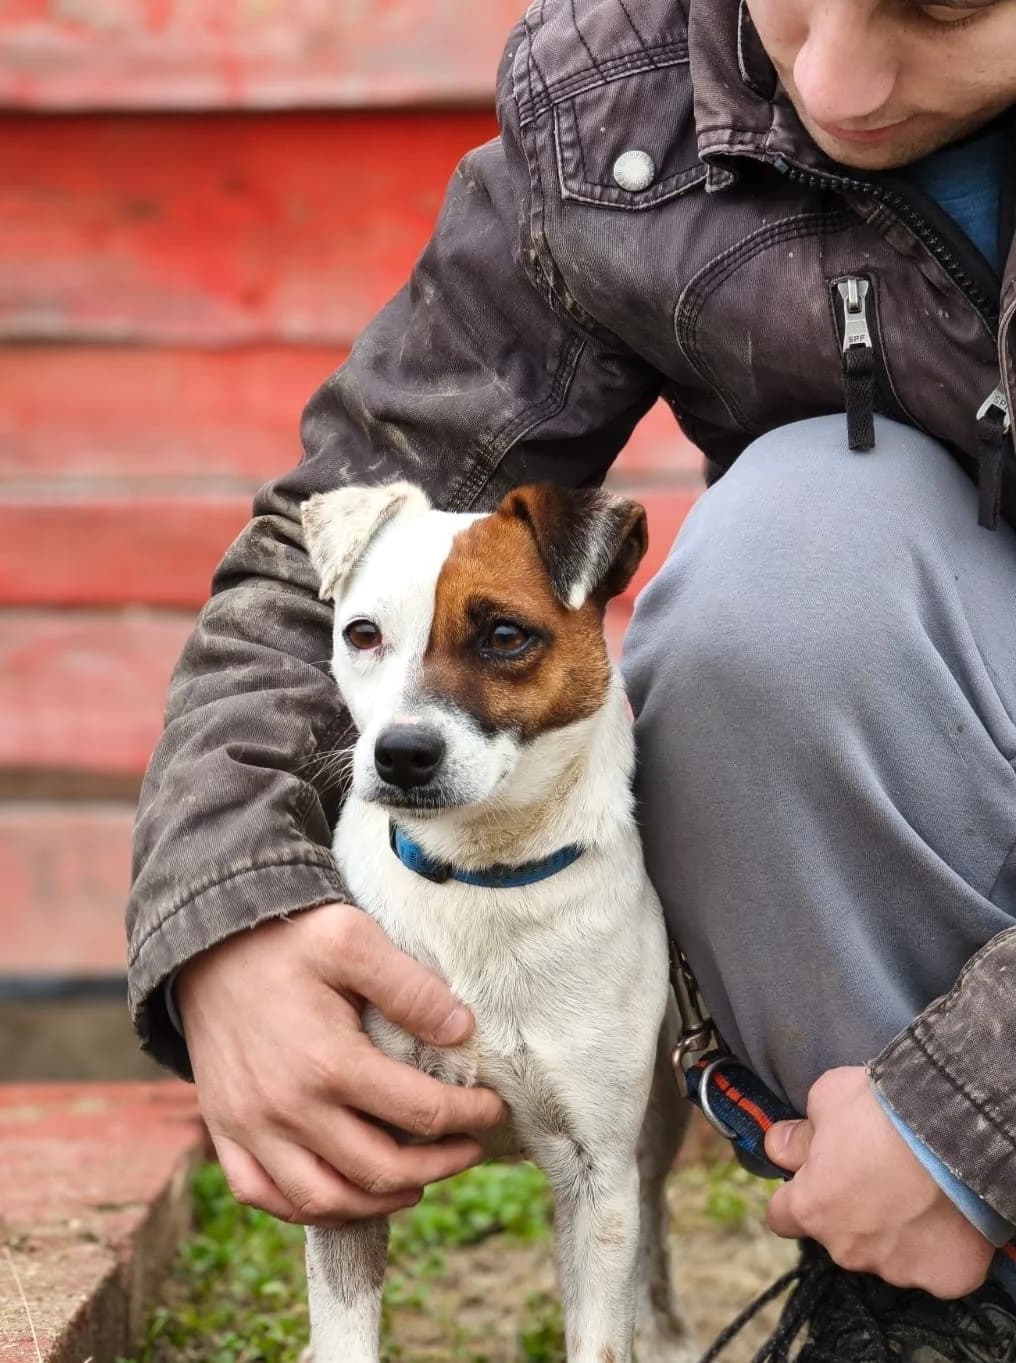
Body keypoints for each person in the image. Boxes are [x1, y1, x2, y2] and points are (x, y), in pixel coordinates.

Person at [125, 0, 1016, 1355]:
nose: (833, 80)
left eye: (946, 8)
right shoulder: (627, 102)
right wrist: (227, 917)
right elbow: (340, 533)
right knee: (798, 560)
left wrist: (976, 1117)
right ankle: (929, 1293)